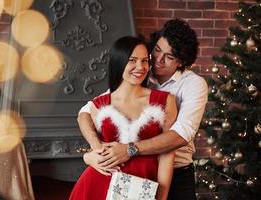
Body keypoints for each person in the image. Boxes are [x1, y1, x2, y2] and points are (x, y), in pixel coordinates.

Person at [78, 19, 208, 200]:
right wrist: (94, 152)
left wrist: (130, 149)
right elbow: (87, 111)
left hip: (176, 173)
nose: (159, 60)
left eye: (169, 57)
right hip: (131, 175)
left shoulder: (193, 85)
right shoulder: (139, 74)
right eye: (157, 50)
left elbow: (181, 134)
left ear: (181, 62)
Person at [69, 36, 177, 200]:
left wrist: (161, 196)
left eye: (144, 60)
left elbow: (168, 152)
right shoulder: (99, 105)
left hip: (144, 187)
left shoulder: (165, 101)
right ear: (119, 62)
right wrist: (88, 157)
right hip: (98, 186)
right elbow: (98, 150)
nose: (140, 67)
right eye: (132, 60)